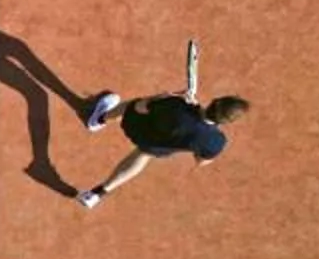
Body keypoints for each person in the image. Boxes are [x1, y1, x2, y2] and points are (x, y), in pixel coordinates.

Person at [76, 89, 248, 210]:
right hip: (157, 147)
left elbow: (140, 106)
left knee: (131, 104)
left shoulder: (177, 105)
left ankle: (98, 119)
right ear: (226, 121)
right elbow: (201, 161)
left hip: (134, 126)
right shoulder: (215, 141)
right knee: (144, 154)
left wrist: (167, 96)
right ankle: (96, 194)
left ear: (215, 101)